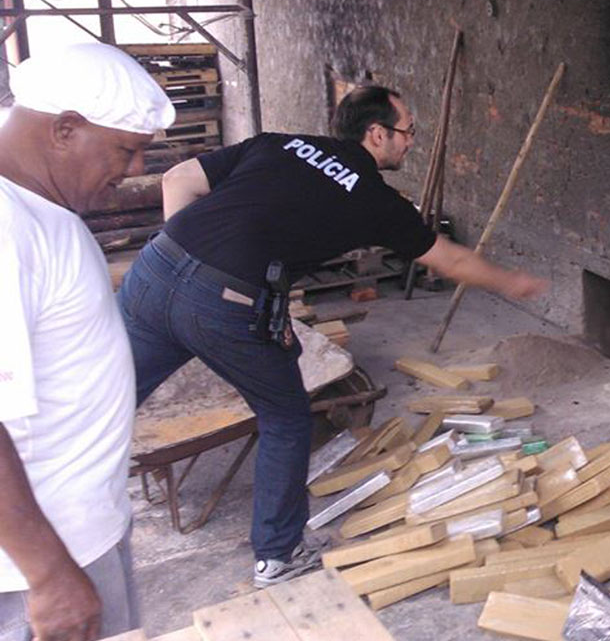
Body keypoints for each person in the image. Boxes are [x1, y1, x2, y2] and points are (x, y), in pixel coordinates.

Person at [119, 85, 546, 589]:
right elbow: (448, 258)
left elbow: (178, 177)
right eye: (408, 131)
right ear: (377, 133)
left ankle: (47, 506)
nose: (411, 143)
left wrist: (191, 253)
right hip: (226, 304)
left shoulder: (278, 143)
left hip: (152, 270)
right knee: (285, 417)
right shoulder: (376, 199)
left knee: (111, 398)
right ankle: (278, 555)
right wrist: (509, 282)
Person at [0, 43, 174, 641]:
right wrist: (48, 574)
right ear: (64, 129)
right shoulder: (6, 229)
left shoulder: (40, 208)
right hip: (41, 557)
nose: (132, 170)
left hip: (77, 531)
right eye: (125, 150)